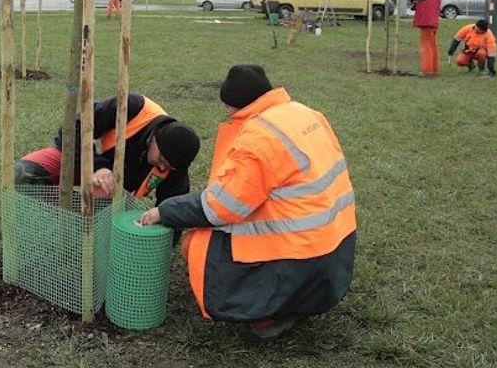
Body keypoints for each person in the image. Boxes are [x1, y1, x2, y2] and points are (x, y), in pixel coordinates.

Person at [139, 65, 356, 340]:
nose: (228, 113)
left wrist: (165, 211)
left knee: (196, 243)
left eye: (229, 107)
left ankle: (269, 314)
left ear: (236, 105)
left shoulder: (259, 137)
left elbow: (221, 206)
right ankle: (297, 300)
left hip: (302, 257)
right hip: (335, 247)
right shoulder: (306, 114)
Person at [14, 93, 200, 205]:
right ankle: (63, 213)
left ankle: (86, 219)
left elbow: (172, 207)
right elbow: (73, 130)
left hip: (112, 193)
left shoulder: (176, 161)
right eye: (161, 160)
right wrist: (99, 167)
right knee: (22, 174)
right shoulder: (134, 107)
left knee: (102, 208)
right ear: (156, 139)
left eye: (167, 166)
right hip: (83, 161)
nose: (162, 167)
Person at [399, 0, 442, 76]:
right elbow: (427, 2)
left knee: (426, 46)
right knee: (432, 46)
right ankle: (434, 69)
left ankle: (426, 70)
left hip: (427, 22)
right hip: (434, 21)